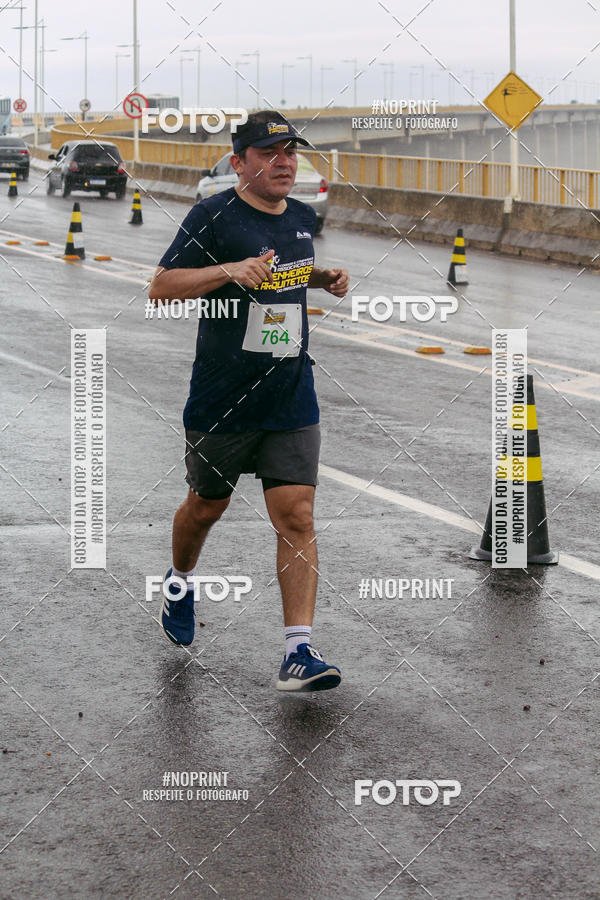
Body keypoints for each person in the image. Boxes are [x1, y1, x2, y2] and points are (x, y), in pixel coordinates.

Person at [148, 110, 349, 692]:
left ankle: (298, 652)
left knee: (297, 516)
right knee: (206, 507)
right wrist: (228, 270)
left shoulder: (304, 217)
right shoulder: (211, 216)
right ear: (240, 163)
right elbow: (161, 286)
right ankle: (181, 580)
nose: (285, 162)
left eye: (291, 152)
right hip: (222, 399)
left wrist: (321, 278)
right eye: (270, 153)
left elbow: (283, 274)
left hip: (290, 393)